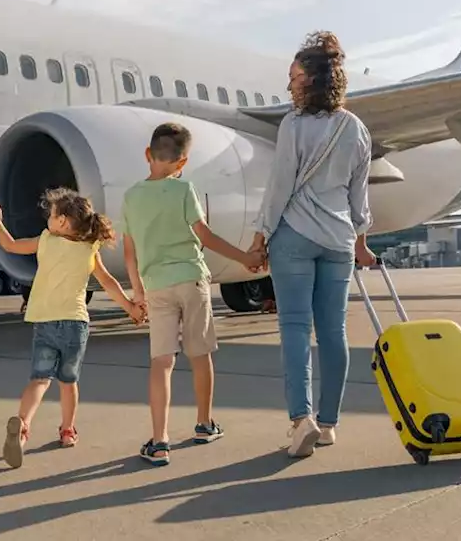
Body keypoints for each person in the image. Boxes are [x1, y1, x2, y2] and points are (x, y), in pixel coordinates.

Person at [248, 30, 376, 459]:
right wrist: (360, 241)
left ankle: (300, 420)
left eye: (294, 76)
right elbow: (360, 196)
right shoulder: (357, 129)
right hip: (339, 241)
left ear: (311, 80)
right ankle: (328, 424)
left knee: (295, 330)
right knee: (334, 333)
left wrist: (260, 234)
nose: (289, 84)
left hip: (296, 238)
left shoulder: (294, 125)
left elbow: (280, 184)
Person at [121, 122, 267, 466]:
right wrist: (245, 258)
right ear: (182, 163)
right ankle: (204, 423)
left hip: (156, 285)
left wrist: (137, 293)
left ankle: (159, 442)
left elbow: (129, 252)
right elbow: (205, 236)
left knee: (162, 362)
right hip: (191, 279)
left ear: (148, 155)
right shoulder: (185, 189)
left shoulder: (130, 197)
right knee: (200, 354)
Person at [0, 187, 142, 469]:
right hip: (75, 323)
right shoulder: (89, 248)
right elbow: (108, 282)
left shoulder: (46, 240)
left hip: (45, 322)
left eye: (52, 213)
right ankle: (68, 430)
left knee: (40, 380)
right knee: (68, 382)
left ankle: (22, 427)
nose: (48, 216)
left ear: (62, 222)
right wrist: (130, 307)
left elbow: (9, 245)